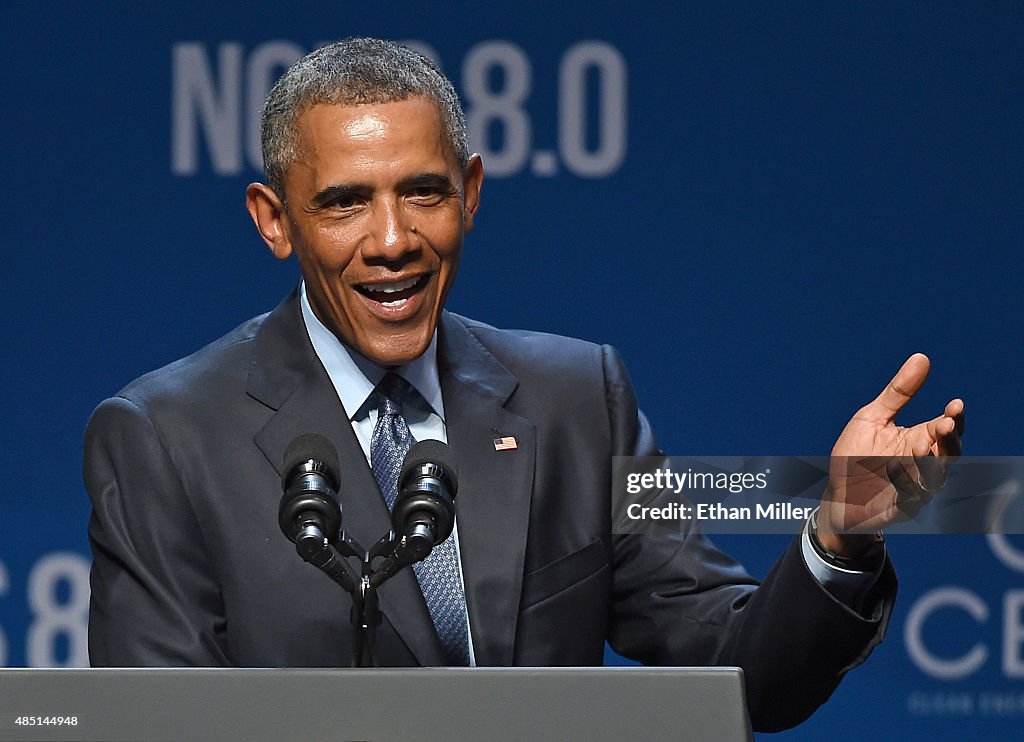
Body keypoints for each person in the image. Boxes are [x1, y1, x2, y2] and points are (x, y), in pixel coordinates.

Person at [84, 37, 964, 732]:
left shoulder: (580, 398)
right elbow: (158, 730)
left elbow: (743, 674)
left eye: (423, 192)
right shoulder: (164, 437)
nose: (392, 239)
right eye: (346, 202)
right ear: (274, 221)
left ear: (470, 194)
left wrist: (838, 536)